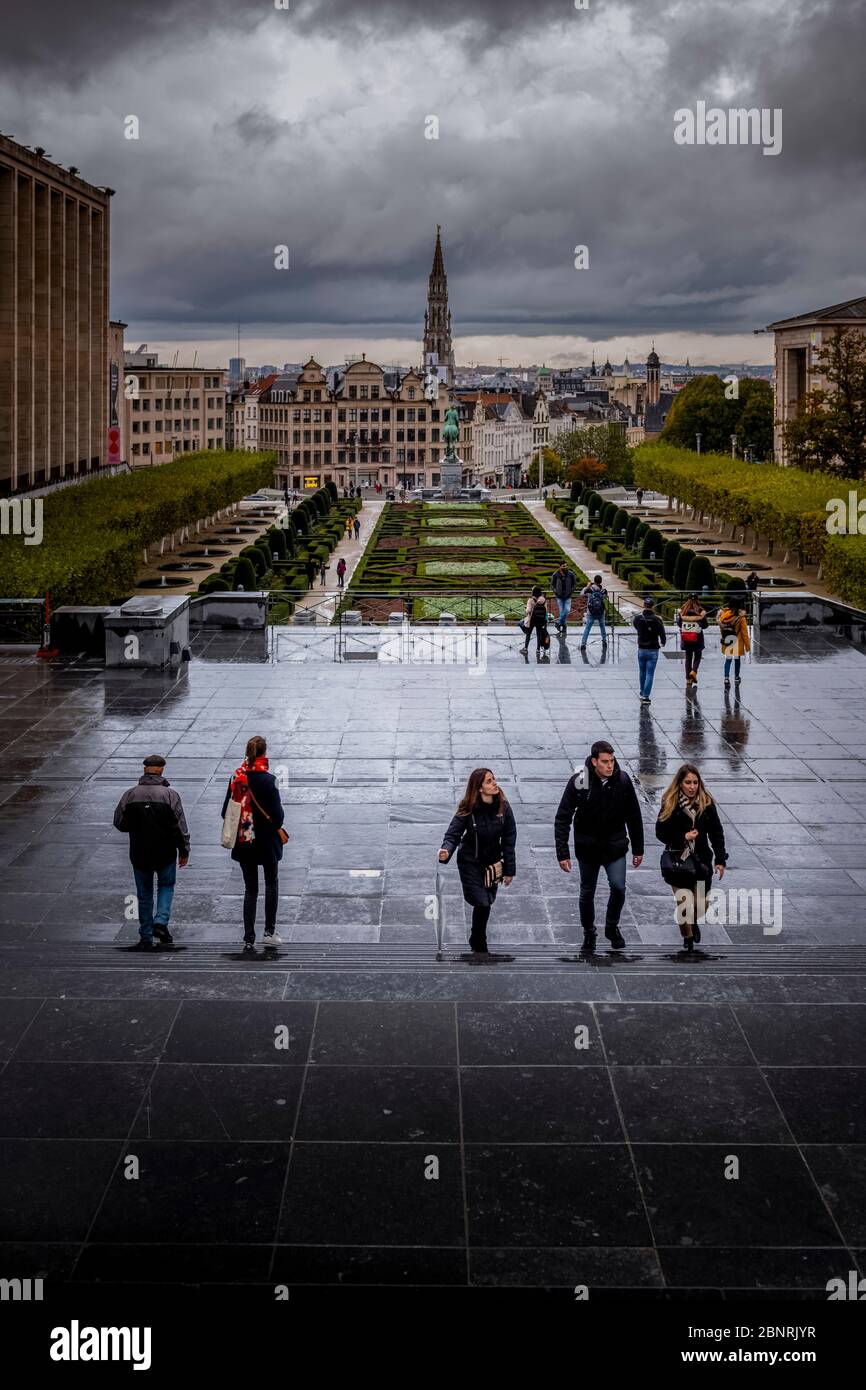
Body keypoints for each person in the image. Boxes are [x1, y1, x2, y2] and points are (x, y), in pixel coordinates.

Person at [554, 740, 644, 952]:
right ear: (594, 761)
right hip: (588, 848)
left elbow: (634, 816)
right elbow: (563, 817)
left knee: (619, 887)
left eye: (611, 761)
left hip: (615, 846)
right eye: (604, 762)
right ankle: (589, 932)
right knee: (587, 892)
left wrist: (638, 849)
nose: (609, 765)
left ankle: (611, 927)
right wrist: (562, 853)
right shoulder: (580, 782)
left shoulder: (622, 781)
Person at [113, 755, 190, 949]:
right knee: (166, 886)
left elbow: (120, 823)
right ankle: (161, 922)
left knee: (144, 894)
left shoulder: (130, 795)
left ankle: (146, 935)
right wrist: (184, 850)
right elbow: (180, 826)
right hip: (165, 851)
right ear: (162, 770)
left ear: (145, 769)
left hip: (139, 851)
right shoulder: (170, 795)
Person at [438, 767, 516, 954]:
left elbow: (509, 839)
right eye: (489, 781)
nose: (494, 783)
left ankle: (477, 936)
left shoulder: (503, 807)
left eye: (493, 779)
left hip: (492, 861)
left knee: (487, 901)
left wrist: (509, 870)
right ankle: (479, 939)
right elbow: (453, 834)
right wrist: (446, 851)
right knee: (481, 901)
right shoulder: (469, 807)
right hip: (470, 862)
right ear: (479, 788)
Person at [221, 735, 287, 949]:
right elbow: (277, 817)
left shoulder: (236, 777)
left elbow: (226, 812)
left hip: (244, 841)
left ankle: (249, 936)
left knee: (250, 889)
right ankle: (269, 931)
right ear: (264, 753)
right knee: (271, 884)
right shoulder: (269, 780)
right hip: (267, 843)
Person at [655, 763, 727, 952]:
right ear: (680, 783)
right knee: (685, 904)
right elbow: (660, 832)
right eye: (688, 782)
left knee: (701, 906)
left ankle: (694, 922)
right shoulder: (669, 802)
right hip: (678, 862)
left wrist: (720, 859)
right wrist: (682, 837)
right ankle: (687, 938)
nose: (692, 786)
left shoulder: (707, 803)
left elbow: (717, 833)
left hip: (701, 862)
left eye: (695, 782)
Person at [632, 594, 667, 703]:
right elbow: (662, 633)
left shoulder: (638, 618)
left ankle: (642, 691)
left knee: (642, 672)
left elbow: (636, 627)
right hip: (653, 649)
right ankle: (646, 696)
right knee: (650, 673)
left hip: (641, 648)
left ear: (643, 605)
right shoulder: (657, 619)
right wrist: (663, 642)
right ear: (653, 606)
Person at [676, 593, 708, 686]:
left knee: (688, 657)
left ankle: (688, 679)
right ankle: (694, 671)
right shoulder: (700, 611)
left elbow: (679, 624)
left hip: (686, 637)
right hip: (697, 638)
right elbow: (705, 625)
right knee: (698, 655)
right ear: (698, 600)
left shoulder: (683, 611)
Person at [718, 596, 751, 688]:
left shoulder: (724, 615)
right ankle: (736, 677)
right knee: (737, 660)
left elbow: (722, 629)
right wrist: (747, 646)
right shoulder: (741, 618)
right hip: (737, 641)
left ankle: (726, 678)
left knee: (728, 660)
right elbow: (744, 633)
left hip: (728, 640)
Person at [520, 585, 550, 658]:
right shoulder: (543, 600)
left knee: (529, 634)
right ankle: (538, 650)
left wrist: (525, 609)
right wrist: (546, 620)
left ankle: (526, 648)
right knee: (539, 634)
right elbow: (546, 612)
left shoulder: (530, 600)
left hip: (532, 620)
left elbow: (528, 611)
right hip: (540, 620)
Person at [580, 575, 608, 649]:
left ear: (594, 581)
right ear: (601, 581)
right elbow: (605, 598)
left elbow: (581, 594)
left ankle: (583, 643)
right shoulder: (603, 590)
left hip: (591, 612)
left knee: (587, 628)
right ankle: (604, 641)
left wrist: (587, 586)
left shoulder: (589, 590)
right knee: (602, 627)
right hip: (601, 612)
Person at [551, 561, 576, 634]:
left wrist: (571, 591)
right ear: (560, 567)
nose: (565, 567)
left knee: (567, 610)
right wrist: (555, 591)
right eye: (563, 566)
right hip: (559, 596)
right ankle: (564, 627)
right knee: (562, 612)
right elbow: (552, 584)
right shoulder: (556, 574)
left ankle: (558, 623)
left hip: (568, 596)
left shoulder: (571, 574)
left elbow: (574, 584)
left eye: (565, 566)